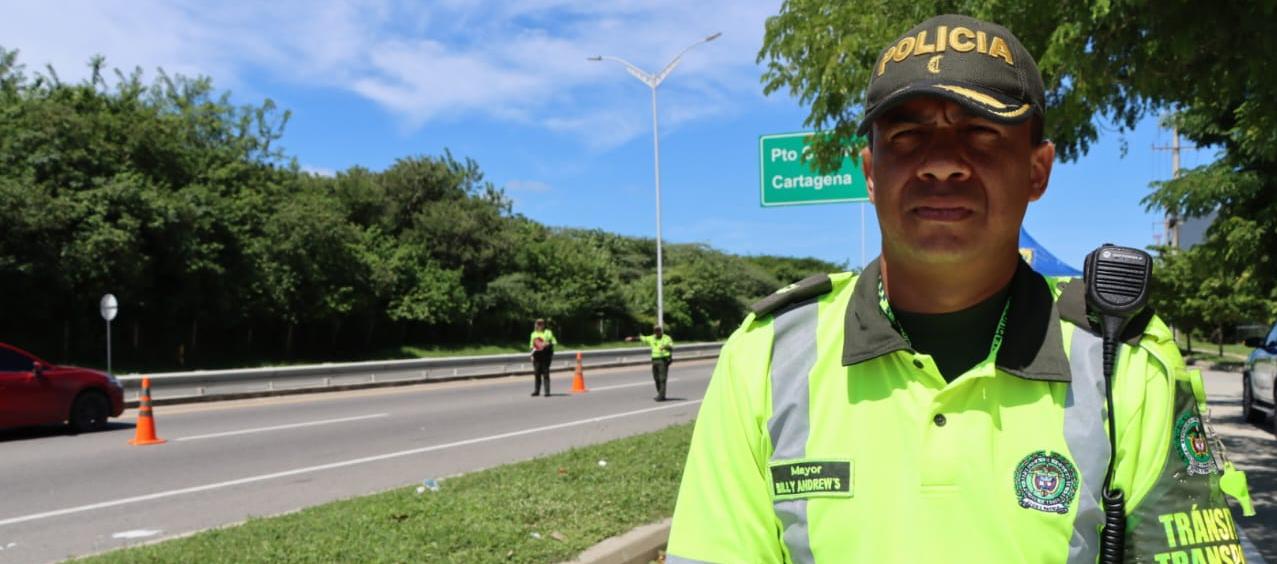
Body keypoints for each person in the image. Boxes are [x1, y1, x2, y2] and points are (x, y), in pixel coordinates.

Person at [667, 14, 1252, 563]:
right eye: (907, 136)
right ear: (871, 174)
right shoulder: (765, 358)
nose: (942, 163)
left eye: (980, 134)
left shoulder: (1124, 361)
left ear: (1036, 171)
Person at [627, 325, 673, 401]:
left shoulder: (666, 338)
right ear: (654, 331)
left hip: (663, 360)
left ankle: (661, 396)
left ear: (661, 331)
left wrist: (665, 347)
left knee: (662, 379)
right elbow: (642, 338)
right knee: (656, 378)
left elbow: (671, 347)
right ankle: (660, 394)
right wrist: (631, 338)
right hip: (654, 360)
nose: (657, 332)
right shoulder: (652, 338)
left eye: (658, 330)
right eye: (656, 331)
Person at [528, 318, 557, 397]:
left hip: (546, 355)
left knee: (545, 373)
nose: (540, 325)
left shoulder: (548, 332)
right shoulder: (533, 334)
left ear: (544, 325)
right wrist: (531, 355)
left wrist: (548, 343)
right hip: (537, 355)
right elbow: (531, 346)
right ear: (536, 325)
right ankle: (536, 391)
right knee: (537, 373)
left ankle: (547, 392)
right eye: (538, 324)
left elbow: (554, 342)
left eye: (541, 324)